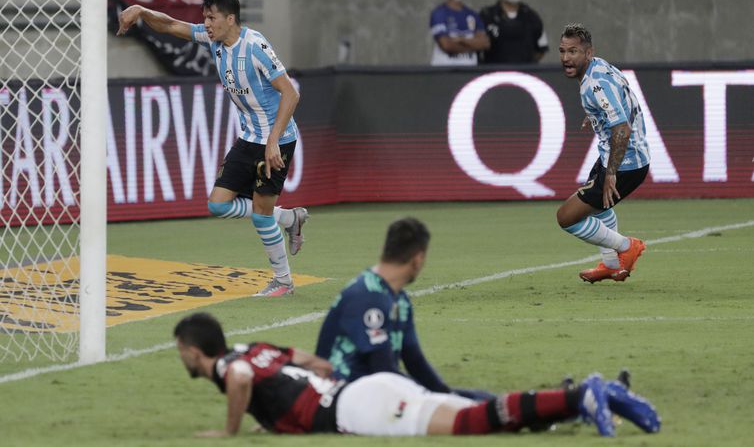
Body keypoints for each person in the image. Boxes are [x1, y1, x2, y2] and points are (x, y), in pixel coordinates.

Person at [174, 312, 661, 437]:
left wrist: (230, 428)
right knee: (478, 417)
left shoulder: (229, 365)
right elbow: (310, 363)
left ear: (193, 351)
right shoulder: (254, 349)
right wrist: (277, 413)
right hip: (358, 391)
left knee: (473, 423)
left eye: (181, 352)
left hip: (362, 408)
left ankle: (583, 396)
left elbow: (237, 379)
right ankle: (581, 400)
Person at [117, 0, 307, 297]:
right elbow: (170, 26)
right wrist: (140, 10)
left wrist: (273, 141)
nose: (205, 24)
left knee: (260, 214)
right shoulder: (214, 41)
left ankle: (283, 282)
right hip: (248, 138)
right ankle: (288, 217)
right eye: (205, 18)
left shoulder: (255, 46)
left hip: (277, 140)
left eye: (211, 18)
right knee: (218, 204)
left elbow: (291, 93)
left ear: (230, 19)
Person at [314, 217, 494, 400]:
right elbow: (383, 371)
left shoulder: (400, 300)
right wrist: (434, 399)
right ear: (418, 259)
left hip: (375, 392)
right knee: (466, 408)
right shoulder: (369, 296)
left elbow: (414, 361)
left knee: (482, 400)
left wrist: (448, 395)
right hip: (344, 399)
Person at [556, 23, 651, 283]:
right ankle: (611, 265)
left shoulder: (594, 85)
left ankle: (626, 246)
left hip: (624, 163)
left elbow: (622, 127)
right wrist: (595, 113)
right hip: (621, 156)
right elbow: (621, 94)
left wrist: (611, 173)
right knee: (599, 209)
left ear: (588, 53)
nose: (566, 58)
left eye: (573, 51)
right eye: (563, 51)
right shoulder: (599, 66)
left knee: (566, 217)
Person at [479, 0, 548, 64]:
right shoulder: (487, 16)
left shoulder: (532, 17)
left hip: (523, 75)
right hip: (495, 75)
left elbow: (541, 48)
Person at [429, 0, 489, 66]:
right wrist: (473, 44)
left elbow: (484, 43)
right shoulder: (439, 13)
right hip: (444, 71)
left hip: (469, 72)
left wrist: (462, 40)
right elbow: (446, 45)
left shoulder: (472, 15)